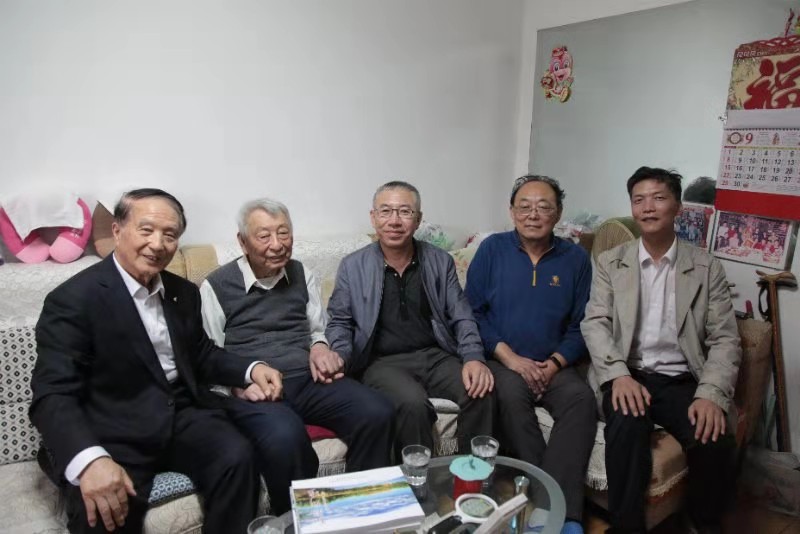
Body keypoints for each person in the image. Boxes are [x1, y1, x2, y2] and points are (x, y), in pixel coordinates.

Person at [29, 189, 283, 534]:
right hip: (111, 424)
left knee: (236, 456)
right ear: (118, 231)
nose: (158, 244)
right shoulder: (73, 300)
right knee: (104, 512)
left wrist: (251, 369)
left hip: (180, 413)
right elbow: (53, 394)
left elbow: (201, 353)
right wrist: (90, 460)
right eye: (146, 230)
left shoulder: (183, 292)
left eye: (170, 235)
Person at [200, 198, 394, 514]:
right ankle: (299, 521)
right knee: (285, 436)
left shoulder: (302, 273)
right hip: (257, 389)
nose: (277, 244)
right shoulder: (216, 286)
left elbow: (317, 329)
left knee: (377, 411)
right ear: (243, 242)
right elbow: (209, 355)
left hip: (307, 379)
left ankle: (362, 511)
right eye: (264, 235)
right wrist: (236, 386)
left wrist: (320, 347)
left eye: (284, 233)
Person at [582, 167, 741, 534]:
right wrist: (617, 375)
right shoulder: (611, 261)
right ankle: (626, 528)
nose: (648, 208)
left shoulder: (706, 267)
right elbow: (595, 323)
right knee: (626, 427)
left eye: (658, 198)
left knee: (714, 436)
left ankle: (703, 523)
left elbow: (725, 338)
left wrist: (710, 393)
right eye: (639, 200)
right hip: (629, 373)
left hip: (680, 378)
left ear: (677, 207)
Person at [465, 175, 596, 534]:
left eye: (543, 207)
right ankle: (547, 504)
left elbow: (583, 323)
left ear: (558, 213)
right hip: (503, 361)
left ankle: (564, 517)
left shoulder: (576, 259)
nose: (533, 215)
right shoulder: (492, 250)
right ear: (512, 212)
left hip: (554, 364)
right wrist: (510, 358)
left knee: (582, 399)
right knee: (508, 394)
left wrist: (554, 364)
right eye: (524, 207)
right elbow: (473, 312)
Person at [326, 181, 494, 458]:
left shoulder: (439, 261)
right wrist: (340, 357)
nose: (394, 221)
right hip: (381, 362)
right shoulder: (353, 265)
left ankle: (471, 475)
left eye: (404, 212)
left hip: (435, 356)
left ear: (418, 219)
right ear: (373, 218)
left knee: (481, 390)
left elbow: (462, 315)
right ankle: (420, 482)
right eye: (386, 211)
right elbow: (339, 322)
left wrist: (474, 356)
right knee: (412, 404)